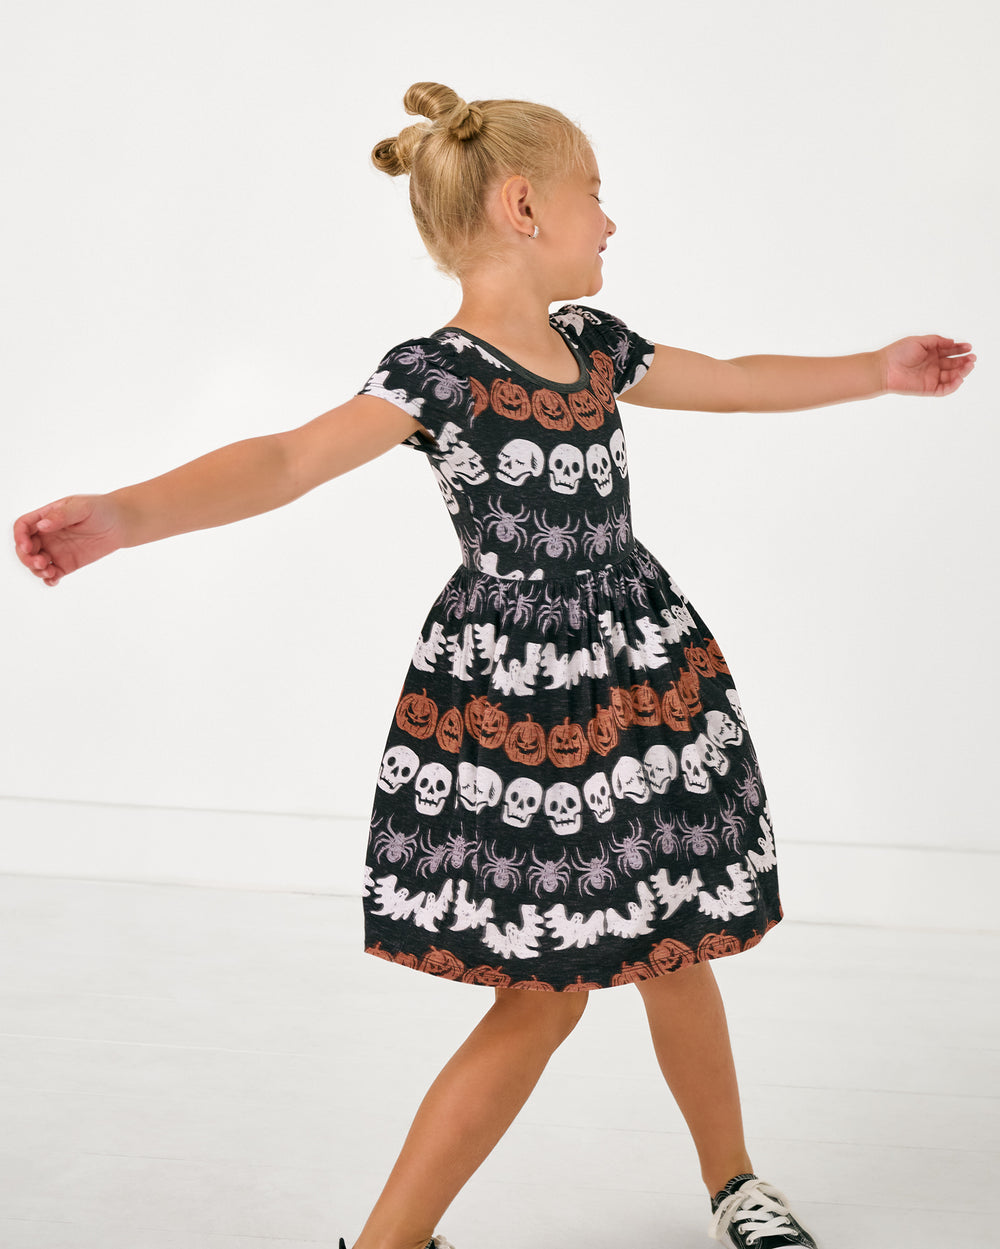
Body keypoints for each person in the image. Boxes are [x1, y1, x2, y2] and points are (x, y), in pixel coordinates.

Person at [13, 82, 975, 1249]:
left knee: (674, 940)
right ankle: (389, 1241)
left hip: (638, 674)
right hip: (525, 706)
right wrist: (124, 515)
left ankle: (733, 1184)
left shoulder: (596, 348)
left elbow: (730, 378)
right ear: (524, 207)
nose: (610, 219)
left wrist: (874, 367)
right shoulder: (439, 373)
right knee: (548, 985)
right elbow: (286, 460)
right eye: (594, 194)